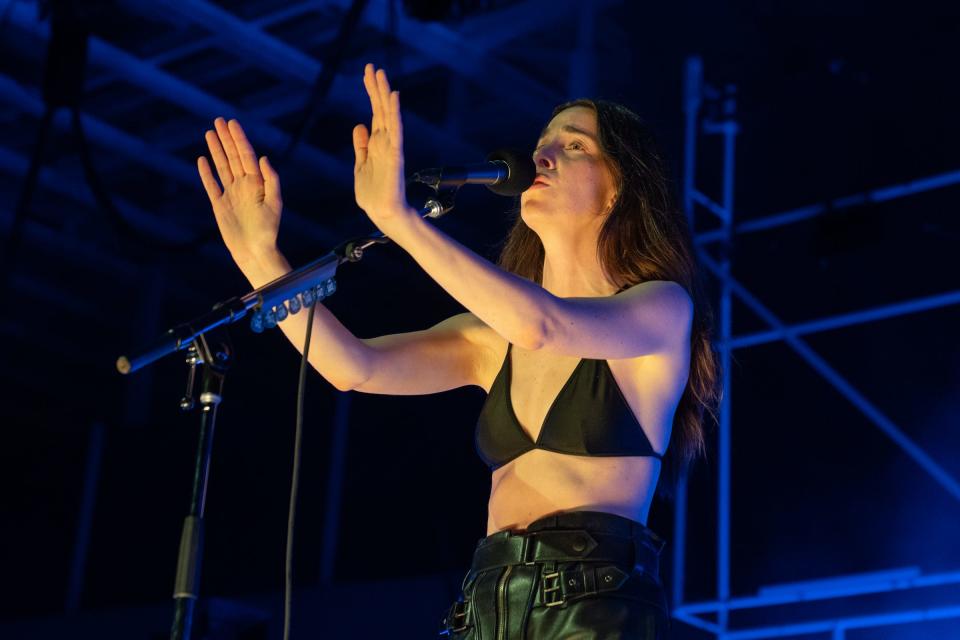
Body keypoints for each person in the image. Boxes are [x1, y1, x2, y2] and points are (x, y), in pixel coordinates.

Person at [198, 63, 720, 639]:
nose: (542, 157)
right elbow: (354, 368)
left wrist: (400, 220)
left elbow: (542, 325)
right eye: (541, 145)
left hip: (593, 606)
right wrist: (261, 263)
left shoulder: (660, 309)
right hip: (486, 606)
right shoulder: (489, 337)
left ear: (621, 183)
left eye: (573, 145)